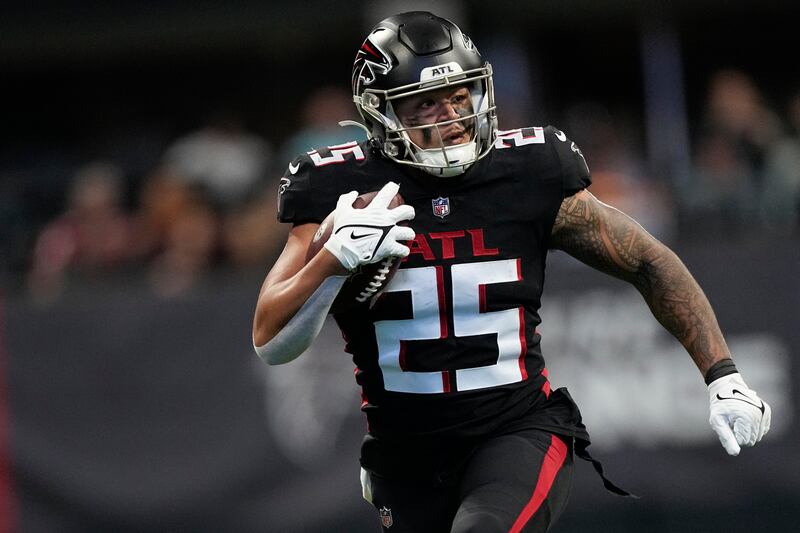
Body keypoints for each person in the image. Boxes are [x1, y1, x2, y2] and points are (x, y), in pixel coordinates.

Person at [252, 12, 772, 533]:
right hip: (404, 457)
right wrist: (332, 260)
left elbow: (646, 260)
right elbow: (271, 341)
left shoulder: (527, 169)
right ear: (381, 113)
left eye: (459, 95)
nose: (450, 116)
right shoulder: (339, 189)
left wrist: (721, 372)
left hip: (517, 431)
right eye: (425, 102)